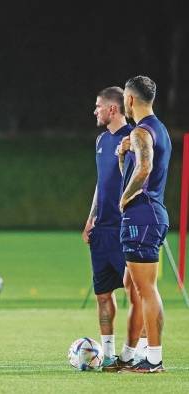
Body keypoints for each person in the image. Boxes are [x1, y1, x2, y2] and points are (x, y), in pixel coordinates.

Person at [82, 87, 147, 371]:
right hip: (103, 229)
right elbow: (101, 182)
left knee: (136, 295)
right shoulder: (100, 140)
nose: (94, 111)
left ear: (112, 109)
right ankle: (107, 355)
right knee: (103, 294)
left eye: (98, 106)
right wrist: (91, 217)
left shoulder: (134, 138)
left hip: (126, 228)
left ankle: (140, 352)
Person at [117, 75, 171, 373]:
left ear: (130, 100)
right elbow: (143, 163)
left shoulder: (140, 131)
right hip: (152, 214)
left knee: (146, 289)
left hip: (142, 215)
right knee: (131, 284)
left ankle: (153, 358)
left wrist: (125, 198)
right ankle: (137, 351)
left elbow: (145, 168)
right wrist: (125, 152)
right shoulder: (158, 129)